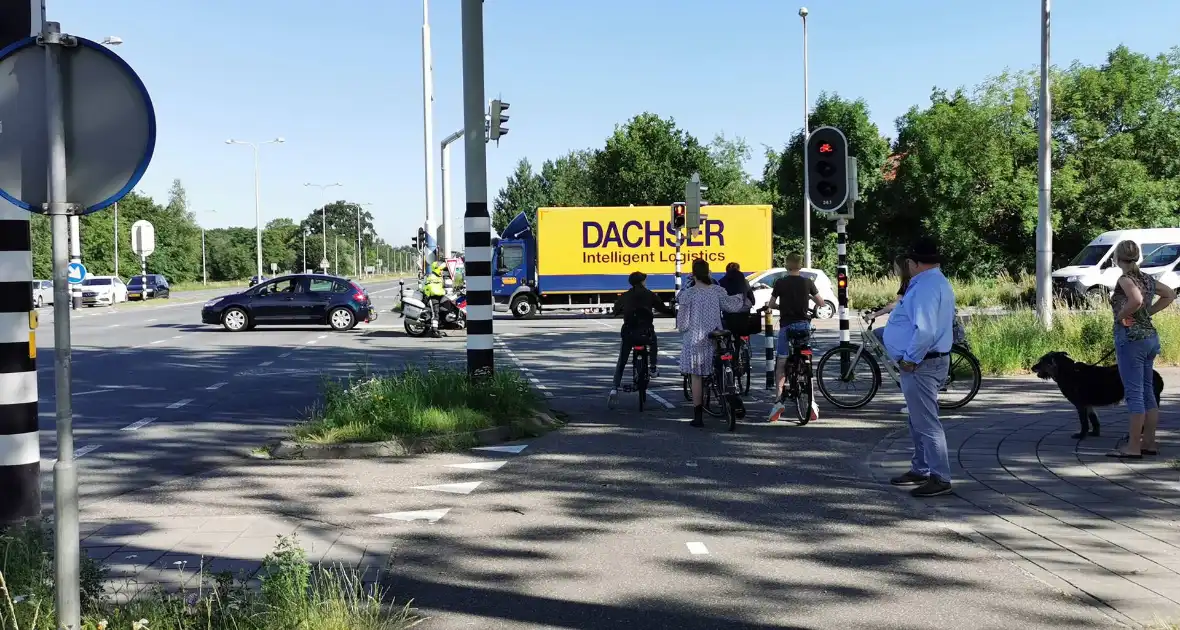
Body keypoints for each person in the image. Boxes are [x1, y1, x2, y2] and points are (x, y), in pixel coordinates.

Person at [884, 238, 956, 498]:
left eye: (909, 262)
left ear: (915, 264)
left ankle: (940, 476)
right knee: (918, 419)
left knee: (926, 421)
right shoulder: (936, 282)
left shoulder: (926, 287)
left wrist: (910, 359)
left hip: (922, 363)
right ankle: (922, 467)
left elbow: (924, 330)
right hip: (927, 361)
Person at [1107, 240, 1175, 459]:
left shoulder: (1125, 278)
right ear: (1138, 256)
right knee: (1147, 391)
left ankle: (1133, 447)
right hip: (1150, 338)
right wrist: (1148, 313)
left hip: (1132, 339)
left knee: (1134, 393)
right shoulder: (1146, 278)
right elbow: (1170, 294)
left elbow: (1135, 299)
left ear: (1117, 258)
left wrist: (1121, 315)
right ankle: (1150, 443)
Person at [677, 259, 748, 427]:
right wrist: (741, 295)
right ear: (708, 272)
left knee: (696, 377)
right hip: (716, 339)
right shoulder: (717, 291)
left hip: (695, 341)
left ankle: (698, 416)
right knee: (720, 366)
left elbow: (683, 325)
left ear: (693, 274)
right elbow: (731, 306)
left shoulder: (689, 294)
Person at [767, 252, 825, 423]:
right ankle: (812, 402)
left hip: (786, 326)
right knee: (807, 360)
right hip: (803, 326)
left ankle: (778, 401)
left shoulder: (780, 283)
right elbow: (821, 303)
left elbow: (771, 304)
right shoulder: (808, 282)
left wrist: (781, 306)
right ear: (800, 265)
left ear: (786, 265)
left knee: (781, 364)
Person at [609, 271, 675, 405]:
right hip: (646, 332)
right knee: (653, 342)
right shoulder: (650, 294)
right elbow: (663, 309)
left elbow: (615, 312)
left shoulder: (625, 296)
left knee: (622, 359)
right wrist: (673, 310)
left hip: (629, 333)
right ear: (642, 281)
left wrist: (622, 311)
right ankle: (653, 367)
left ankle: (614, 388)